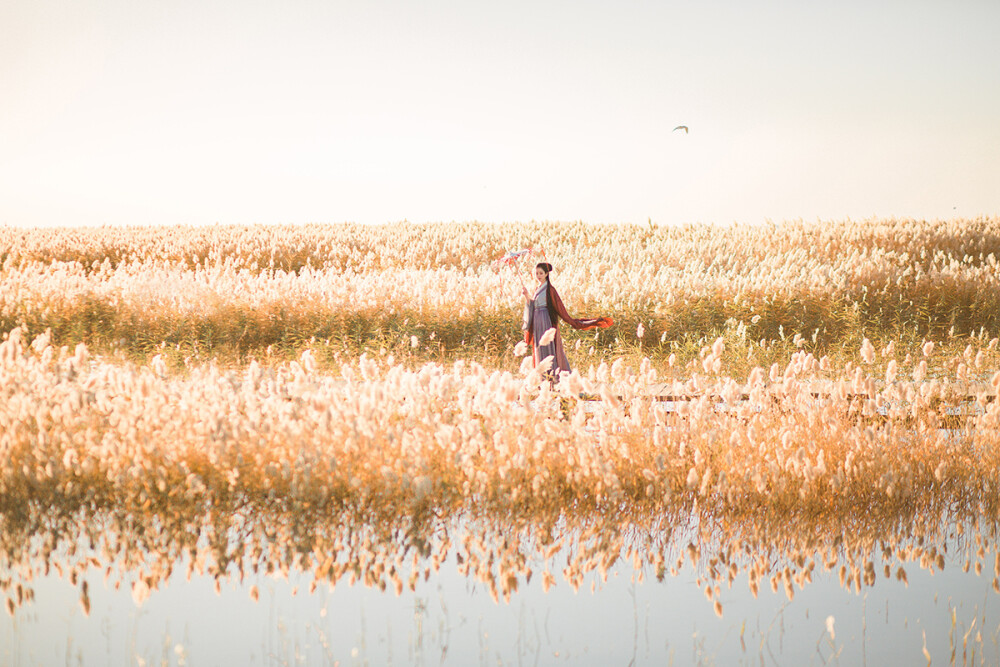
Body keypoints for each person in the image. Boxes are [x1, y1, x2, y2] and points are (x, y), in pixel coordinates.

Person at [521, 262, 613, 380]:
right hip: (537, 320)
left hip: (545, 319)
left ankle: (552, 375)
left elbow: (559, 307)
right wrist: (526, 295)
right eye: (536, 273)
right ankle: (541, 376)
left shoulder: (550, 290)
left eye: (541, 273)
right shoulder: (537, 288)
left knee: (547, 347)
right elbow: (533, 304)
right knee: (539, 347)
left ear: (546, 274)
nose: (538, 276)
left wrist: (572, 321)